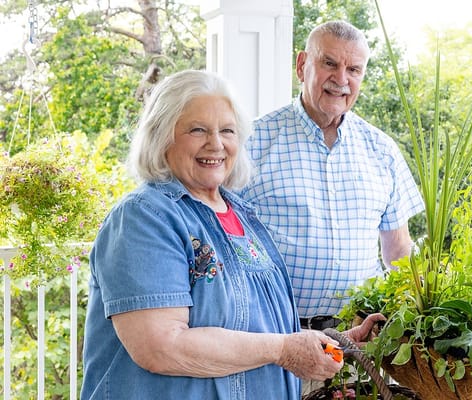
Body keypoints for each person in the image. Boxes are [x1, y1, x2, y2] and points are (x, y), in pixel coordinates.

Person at [80, 69, 384, 400]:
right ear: (162, 136)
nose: (216, 144)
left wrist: (334, 343)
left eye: (227, 130)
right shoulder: (144, 217)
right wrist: (283, 349)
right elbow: (161, 347)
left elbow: (254, 330)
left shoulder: (242, 215)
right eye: (197, 130)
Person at [241, 21, 424, 329]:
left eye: (354, 69)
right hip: (274, 336)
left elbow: (399, 253)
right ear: (302, 65)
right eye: (329, 63)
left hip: (361, 340)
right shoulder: (251, 141)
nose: (341, 79)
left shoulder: (381, 149)